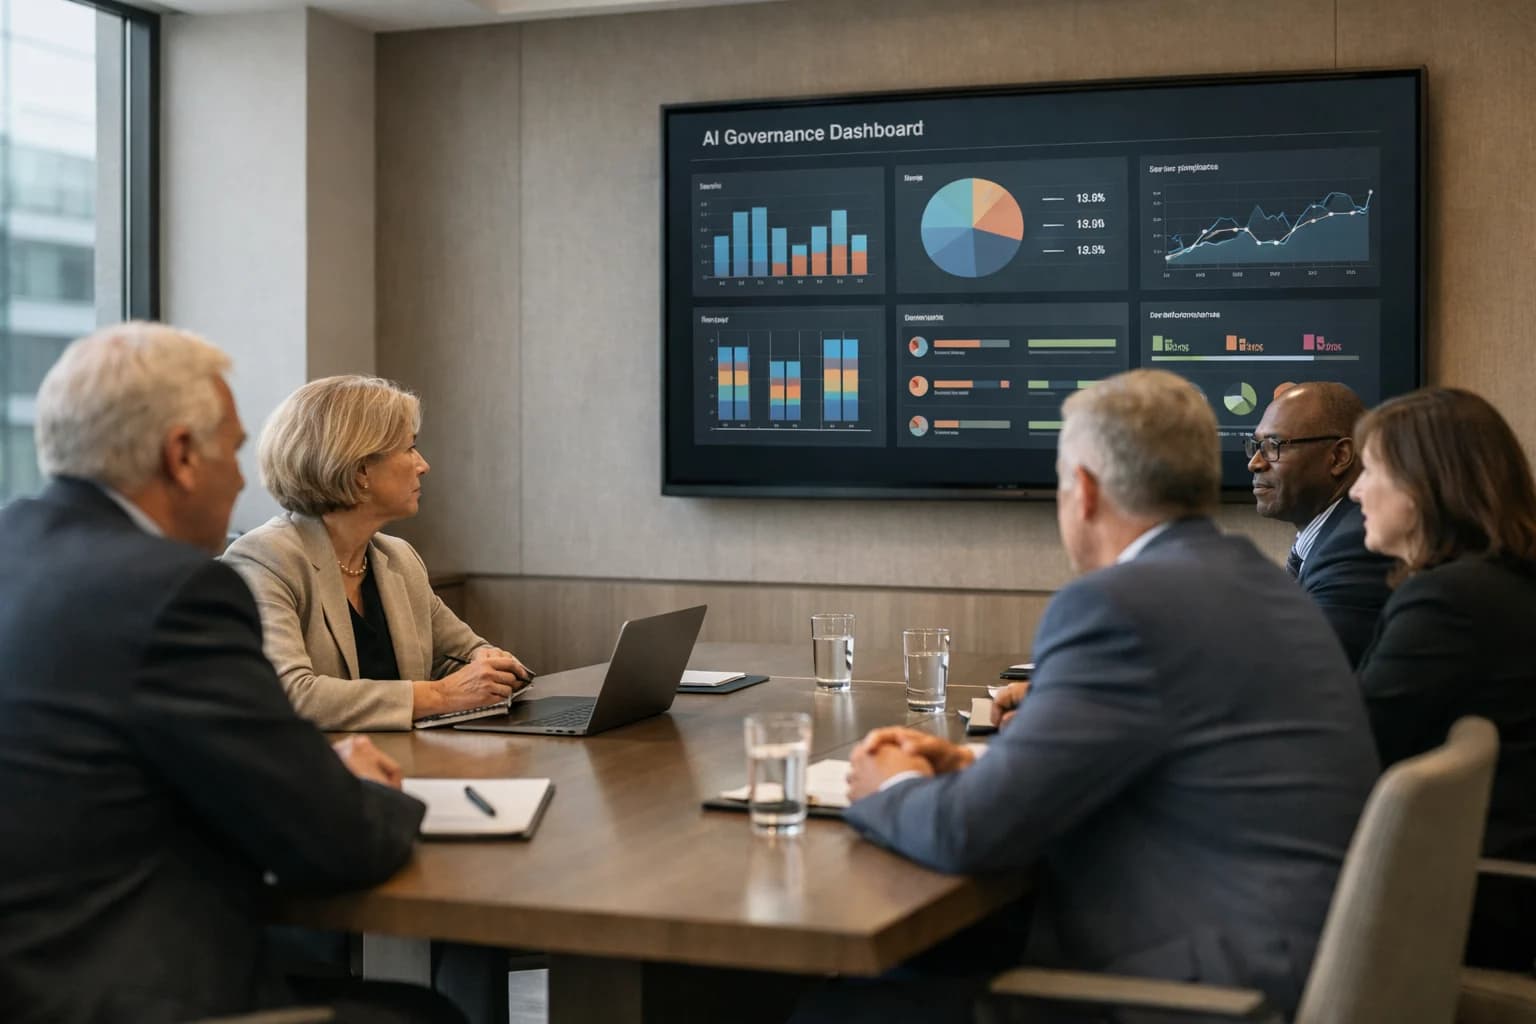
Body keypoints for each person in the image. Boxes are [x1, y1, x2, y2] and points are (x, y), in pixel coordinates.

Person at [821, 370, 1379, 1024]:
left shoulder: (1118, 604)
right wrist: (976, 766)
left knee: (835, 1007)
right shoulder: (1259, 581)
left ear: (1083, 491)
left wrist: (888, 786)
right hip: (1290, 957)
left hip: (1205, 992)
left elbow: (971, 832)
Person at [0, 323, 457, 1023]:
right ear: (182, 456)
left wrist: (301, 774)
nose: (246, 479)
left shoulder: (19, 554)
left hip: (32, 969)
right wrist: (356, 788)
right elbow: (339, 843)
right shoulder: (174, 591)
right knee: (426, 1016)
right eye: (235, 452)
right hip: (117, 989)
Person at [223, 375, 531, 732]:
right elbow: (289, 694)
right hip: (316, 764)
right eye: (410, 448)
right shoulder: (264, 559)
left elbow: (458, 656)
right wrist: (440, 696)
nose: (423, 465)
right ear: (360, 471)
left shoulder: (399, 558)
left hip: (407, 758)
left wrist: (488, 664)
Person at [1350, 386, 1536, 970]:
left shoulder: (1448, 602)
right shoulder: (1504, 581)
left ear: (1424, 485)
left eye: (1370, 470)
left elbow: (1355, 752)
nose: (1355, 490)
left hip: (1467, 904)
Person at [1248, 381, 1392, 666]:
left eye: (1273, 446)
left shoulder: (1356, 544)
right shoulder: (1329, 538)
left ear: (1339, 457)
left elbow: (1304, 669)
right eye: (1256, 446)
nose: (1255, 462)